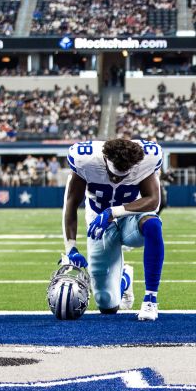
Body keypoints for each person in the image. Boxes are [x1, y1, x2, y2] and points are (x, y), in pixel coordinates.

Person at [62, 137, 165, 321]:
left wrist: (114, 211)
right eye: (113, 174)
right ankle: (125, 279)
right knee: (106, 304)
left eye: (122, 176)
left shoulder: (146, 158)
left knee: (153, 224)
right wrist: (70, 248)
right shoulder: (85, 160)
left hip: (130, 215)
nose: (116, 179)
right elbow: (71, 203)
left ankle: (150, 299)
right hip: (98, 222)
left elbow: (154, 200)